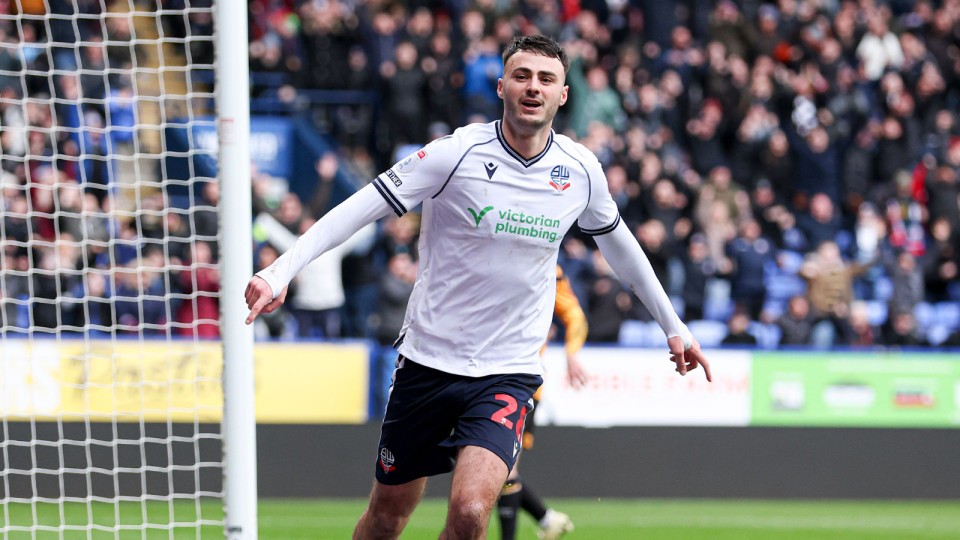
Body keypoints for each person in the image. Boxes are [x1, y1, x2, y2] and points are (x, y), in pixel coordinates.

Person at [245, 35, 711, 540]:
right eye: (522, 76)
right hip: (428, 361)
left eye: (546, 79)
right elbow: (363, 206)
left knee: (469, 513)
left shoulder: (580, 172)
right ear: (502, 86)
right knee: (386, 518)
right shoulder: (455, 153)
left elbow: (622, 249)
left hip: (507, 370)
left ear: (563, 95)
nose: (534, 87)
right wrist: (281, 270)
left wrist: (673, 324)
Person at [496, 265, 587, 540]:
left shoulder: (548, 267)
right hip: (475, 374)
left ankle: (542, 521)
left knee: (503, 470)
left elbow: (574, 314)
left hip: (520, 383)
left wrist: (572, 353)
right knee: (494, 471)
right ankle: (547, 518)